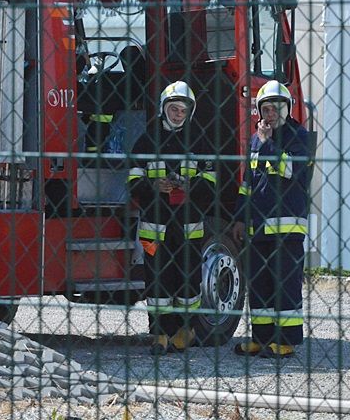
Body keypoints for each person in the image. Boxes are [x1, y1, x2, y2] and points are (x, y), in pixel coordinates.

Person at [127, 80, 218, 355]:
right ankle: (160, 334)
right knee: (157, 280)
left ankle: (185, 330)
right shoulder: (147, 139)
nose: (177, 114)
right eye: (173, 109)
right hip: (155, 224)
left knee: (187, 280)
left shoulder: (199, 140)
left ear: (189, 113)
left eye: (182, 111)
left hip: (188, 224)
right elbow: (132, 178)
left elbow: (212, 180)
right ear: (163, 109)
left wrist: (193, 187)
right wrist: (152, 187)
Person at [232, 80, 310, 359]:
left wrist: (266, 145)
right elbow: (248, 183)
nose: (271, 113)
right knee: (260, 285)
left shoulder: (299, 136)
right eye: (266, 108)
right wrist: (240, 218)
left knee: (285, 283)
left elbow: (291, 170)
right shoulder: (256, 140)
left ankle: (287, 340)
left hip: (287, 227)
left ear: (287, 108)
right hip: (258, 226)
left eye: (277, 107)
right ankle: (262, 338)